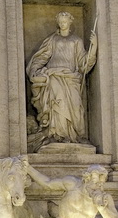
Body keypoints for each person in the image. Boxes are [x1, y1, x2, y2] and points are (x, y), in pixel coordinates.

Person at [26, 11, 97, 144]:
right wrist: (35, 70)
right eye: (60, 22)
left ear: (70, 22)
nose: (62, 24)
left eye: (65, 21)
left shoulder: (77, 40)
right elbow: (42, 57)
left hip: (71, 79)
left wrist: (94, 47)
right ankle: (57, 135)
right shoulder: (52, 39)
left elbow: (83, 63)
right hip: (54, 76)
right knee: (58, 104)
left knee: (75, 107)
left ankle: (73, 136)